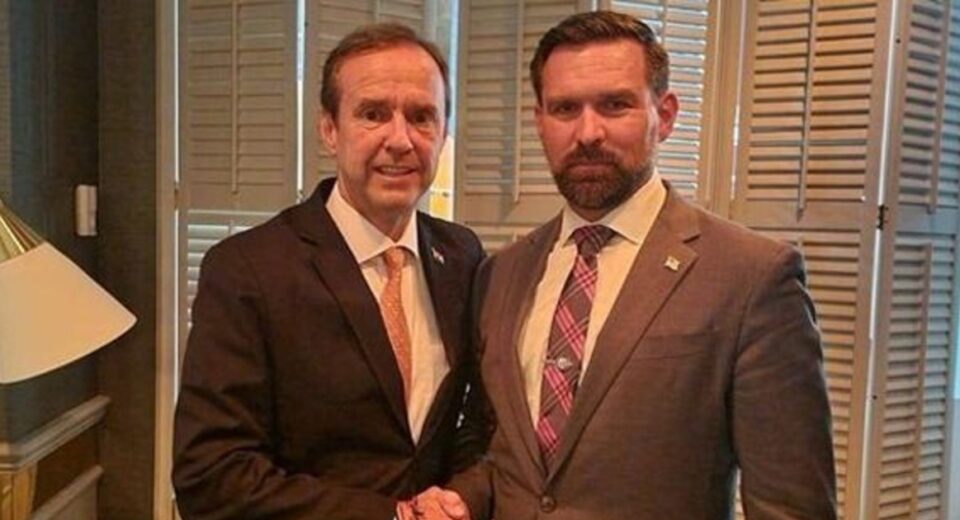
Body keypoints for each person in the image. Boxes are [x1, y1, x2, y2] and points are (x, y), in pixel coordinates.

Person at [425, 10, 837, 520]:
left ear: (665, 115)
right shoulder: (501, 274)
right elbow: (495, 450)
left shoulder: (751, 277)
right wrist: (463, 496)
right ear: (540, 122)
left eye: (615, 104)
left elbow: (792, 505)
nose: (588, 132)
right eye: (565, 108)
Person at [173, 23, 484, 520]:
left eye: (422, 116)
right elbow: (211, 476)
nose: (400, 139)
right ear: (329, 129)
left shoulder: (462, 256)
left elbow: (465, 428)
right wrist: (393, 517)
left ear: (444, 132)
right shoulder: (248, 270)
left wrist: (461, 496)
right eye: (373, 114)